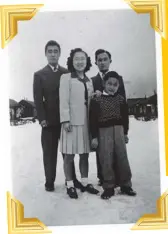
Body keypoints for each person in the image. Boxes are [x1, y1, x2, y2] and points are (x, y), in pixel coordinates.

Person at [33, 40, 80, 192]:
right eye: (50, 51)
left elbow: (71, 97)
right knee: (49, 153)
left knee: (69, 152)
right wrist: (42, 119)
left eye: (55, 51)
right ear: (46, 54)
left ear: (59, 54)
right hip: (49, 121)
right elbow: (38, 100)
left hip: (65, 120)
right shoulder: (39, 75)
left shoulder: (66, 73)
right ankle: (49, 181)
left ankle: (71, 180)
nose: (53, 54)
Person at [89, 71, 136, 199]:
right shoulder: (97, 99)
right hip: (104, 132)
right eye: (109, 84)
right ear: (104, 83)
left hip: (119, 130)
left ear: (118, 86)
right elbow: (92, 120)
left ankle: (126, 184)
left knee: (122, 157)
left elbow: (125, 118)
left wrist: (125, 132)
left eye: (115, 85)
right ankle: (108, 187)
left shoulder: (120, 99)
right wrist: (94, 137)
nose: (112, 87)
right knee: (106, 158)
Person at [59, 48, 99, 199]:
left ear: (87, 61)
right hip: (70, 123)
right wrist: (65, 120)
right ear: (71, 61)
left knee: (84, 155)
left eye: (83, 59)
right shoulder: (66, 78)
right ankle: (70, 184)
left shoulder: (89, 81)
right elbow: (63, 101)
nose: (80, 62)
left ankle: (84, 182)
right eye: (77, 59)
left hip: (86, 124)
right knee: (69, 156)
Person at [91, 49, 126, 186]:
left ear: (110, 61)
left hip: (116, 123)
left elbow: (123, 102)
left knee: (119, 150)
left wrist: (125, 128)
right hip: (101, 124)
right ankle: (104, 178)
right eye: (99, 60)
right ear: (96, 62)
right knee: (103, 151)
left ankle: (119, 178)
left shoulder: (119, 79)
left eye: (105, 59)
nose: (102, 62)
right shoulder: (93, 81)